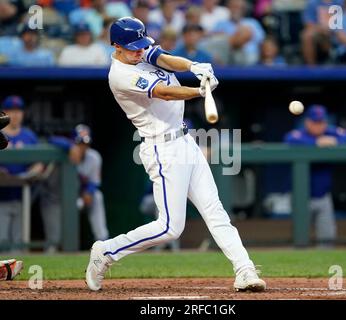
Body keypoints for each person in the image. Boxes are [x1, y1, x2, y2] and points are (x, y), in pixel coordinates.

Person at [85, 16, 266, 293]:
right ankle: (106, 251)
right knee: (170, 227)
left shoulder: (140, 51)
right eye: (132, 47)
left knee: (215, 211)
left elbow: (167, 60)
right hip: (161, 148)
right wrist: (199, 90)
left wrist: (194, 66)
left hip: (185, 141)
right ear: (116, 46)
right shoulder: (120, 75)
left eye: (140, 45)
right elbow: (165, 93)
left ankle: (245, 269)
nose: (139, 51)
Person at [284, 104, 346, 246]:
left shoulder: (331, 133)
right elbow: (289, 140)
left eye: (321, 122)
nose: (318, 126)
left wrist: (335, 141)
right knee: (300, 239)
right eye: (315, 122)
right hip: (301, 196)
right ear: (307, 122)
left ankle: (325, 267)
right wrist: (315, 142)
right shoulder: (299, 135)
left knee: (328, 238)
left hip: (323, 196)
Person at [47, 124, 109, 244]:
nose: (83, 147)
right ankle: (52, 247)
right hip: (56, 199)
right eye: (79, 143)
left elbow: (94, 182)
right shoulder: (62, 150)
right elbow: (50, 139)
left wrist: (89, 192)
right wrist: (69, 146)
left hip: (77, 199)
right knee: (55, 238)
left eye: (85, 144)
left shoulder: (94, 157)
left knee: (97, 196)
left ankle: (102, 241)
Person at [0, 95, 44, 252]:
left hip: (22, 197)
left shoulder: (28, 136)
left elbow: (40, 163)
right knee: (1, 241)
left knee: (20, 243)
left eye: (18, 111)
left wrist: (31, 172)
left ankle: (17, 275)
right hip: (1, 197)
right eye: (11, 110)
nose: (15, 114)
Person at [301, 0, 344, 65]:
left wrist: (332, 31)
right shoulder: (312, 3)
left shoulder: (340, 2)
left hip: (338, 33)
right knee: (307, 35)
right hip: (319, 34)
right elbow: (308, 24)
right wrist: (322, 30)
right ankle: (311, 70)